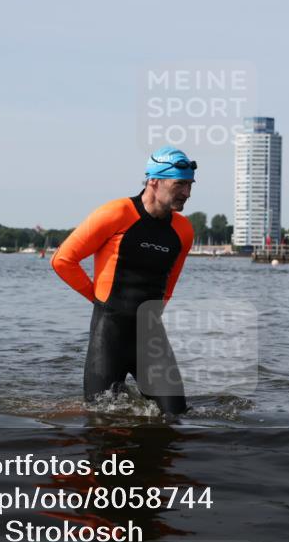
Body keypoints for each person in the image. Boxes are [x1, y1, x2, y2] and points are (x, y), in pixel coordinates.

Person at [51, 146, 195, 416]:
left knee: (176, 417)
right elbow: (62, 260)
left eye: (189, 185)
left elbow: (170, 283)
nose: (187, 193)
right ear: (154, 181)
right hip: (110, 334)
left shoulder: (183, 230)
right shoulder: (116, 213)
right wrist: (99, 299)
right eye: (180, 184)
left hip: (151, 336)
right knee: (101, 421)